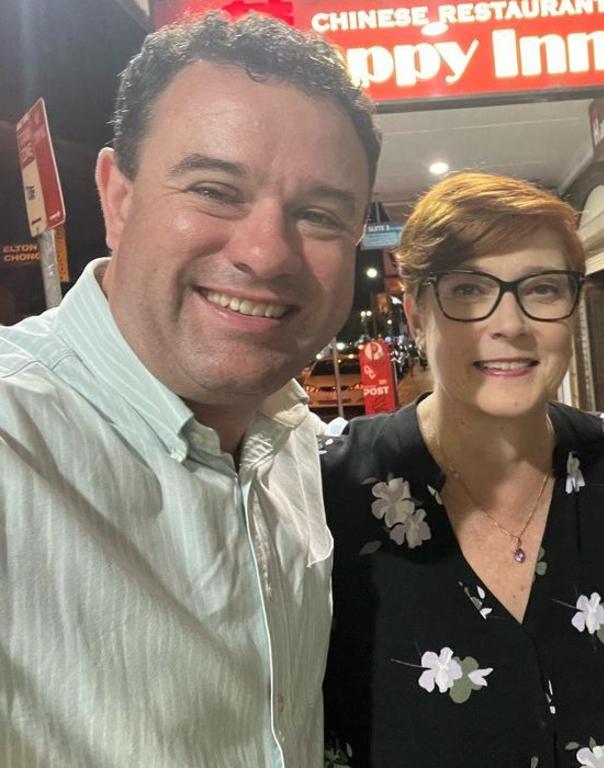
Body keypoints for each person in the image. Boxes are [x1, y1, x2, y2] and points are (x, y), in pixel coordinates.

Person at [0, 12, 379, 767]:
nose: (267, 253)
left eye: (319, 215)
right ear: (117, 198)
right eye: (213, 189)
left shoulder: (294, 446)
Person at [320, 172, 604, 767]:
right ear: (416, 315)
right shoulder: (328, 497)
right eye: (466, 290)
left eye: (540, 289)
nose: (508, 324)